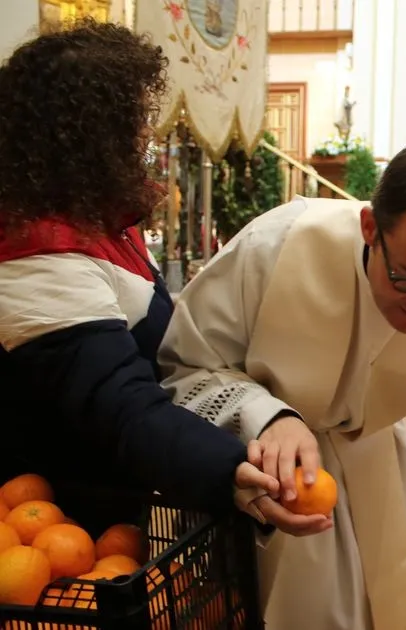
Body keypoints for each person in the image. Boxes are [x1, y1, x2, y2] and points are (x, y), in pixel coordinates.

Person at [158, 138, 406, 630]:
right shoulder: (276, 246)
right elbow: (184, 367)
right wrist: (266, 416)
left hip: (378, 481)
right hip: (250, 477)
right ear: (370, 228)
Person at [0, 20, 277, 537]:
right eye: (136, 118)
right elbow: (118, 403)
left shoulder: (92, 219)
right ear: (88, 134)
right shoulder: (35, 251)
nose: (147, 134)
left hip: (106, 505)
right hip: (61, 523)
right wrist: (230, 472)